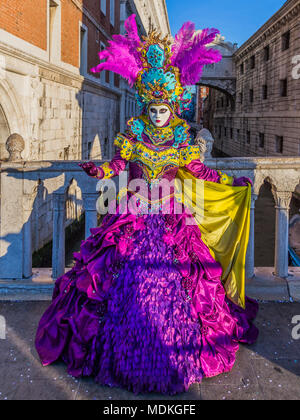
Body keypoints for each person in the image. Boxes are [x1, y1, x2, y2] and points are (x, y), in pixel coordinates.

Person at [35, 15, 258, 396]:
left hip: (171, 218)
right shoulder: (133, 138)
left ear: (172, 107)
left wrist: (230, 181)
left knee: (182, 282)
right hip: (133, 214)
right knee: (112, 277)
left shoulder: (180, 143)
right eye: (151, 109)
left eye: (163, 109)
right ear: (145, 106)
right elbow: (119, 166)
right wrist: (101, 167)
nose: (157, 114)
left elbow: (200, 171)